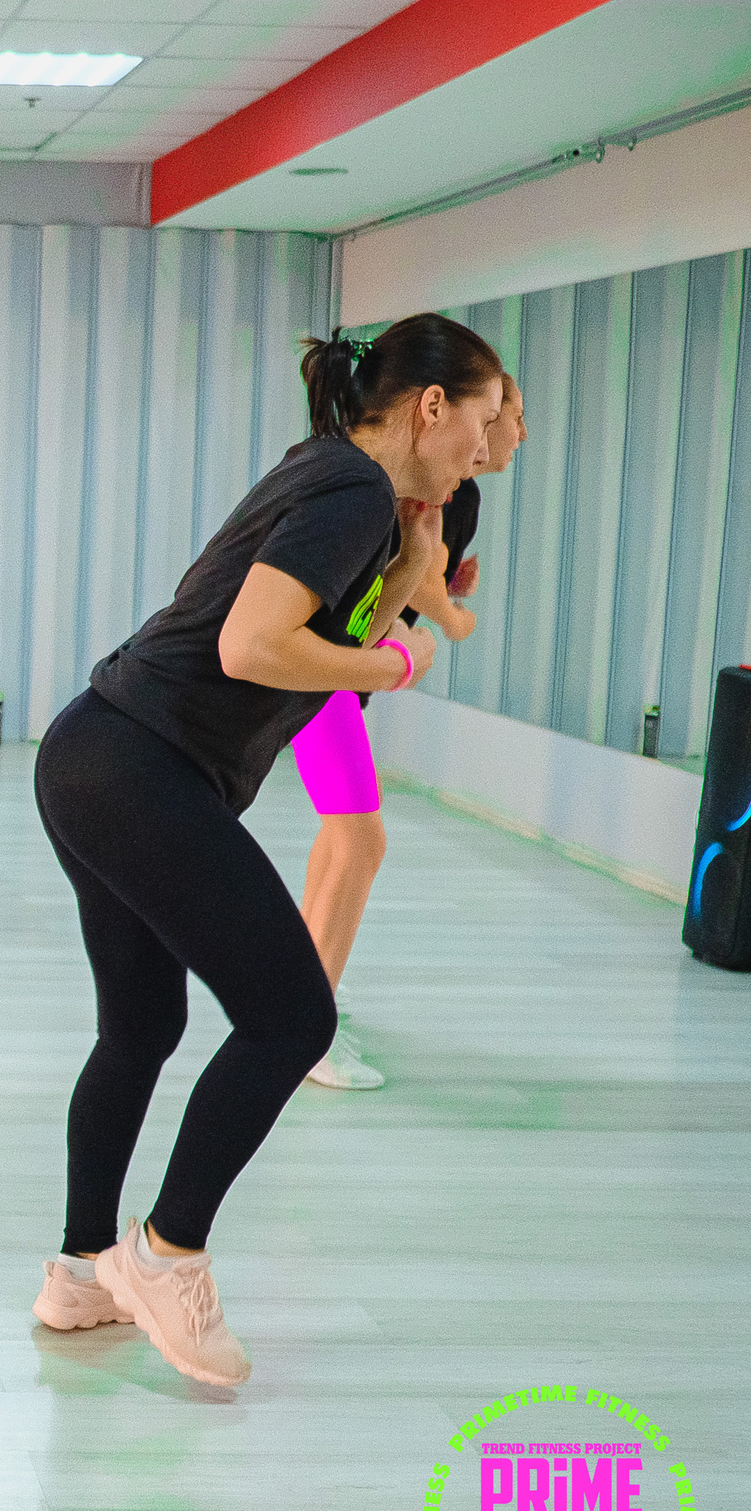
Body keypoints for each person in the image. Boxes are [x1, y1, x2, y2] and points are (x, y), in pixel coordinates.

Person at [28, 314, 502, 1387]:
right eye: (481, 420)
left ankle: (81, 1271)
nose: (483, 447)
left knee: (141, 1025)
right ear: (431, 406)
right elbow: (253, 646)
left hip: (96, 753)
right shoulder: (351, 490)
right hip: (142, 766)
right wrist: (398, 665)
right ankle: (165, 1252)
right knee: (292, 1017)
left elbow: (320, 637)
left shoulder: (339, 480)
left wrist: (411, 568)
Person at [296, 373, 526, 1089]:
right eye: (505, 415)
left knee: (344, 839)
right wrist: (453, 617)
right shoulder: (432, 486)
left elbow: (409, 569)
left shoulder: (460, 494)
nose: (515, 433)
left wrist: (446, 589)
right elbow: (405, 579)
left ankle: (304, 994)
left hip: (337, 682)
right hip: (328, 681)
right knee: (360, 842)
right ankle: (305, 1031)